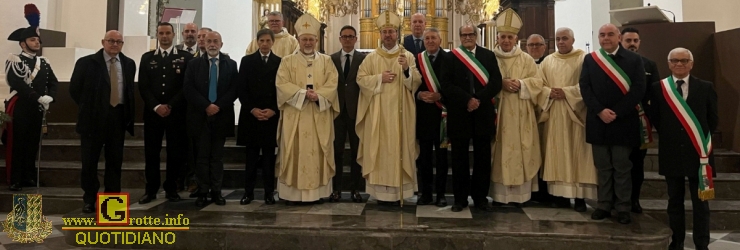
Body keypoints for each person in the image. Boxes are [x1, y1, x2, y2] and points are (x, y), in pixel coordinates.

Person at [648, 47, 716, 250]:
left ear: (691, 64)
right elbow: (655, 118)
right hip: (671, 153)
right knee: (674, 202)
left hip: (699, 154)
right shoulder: (658, 88)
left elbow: (713, 119)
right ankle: (676, 243)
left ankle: (701, 244)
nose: (679, 64)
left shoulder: (706, 87)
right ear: (668, 63)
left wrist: (696, 140)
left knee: (701, 204)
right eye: (675, 60)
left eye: (684, 60)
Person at [580, 23, 646, 224]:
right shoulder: (591, 60)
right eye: (602, 35)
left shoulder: (634, 60)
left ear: (619, 37)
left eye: (610, 34)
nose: (606, 38)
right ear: (597, 38)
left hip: (623, 121)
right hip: (598, 120)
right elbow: (585, 87)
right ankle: (604, 204)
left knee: (622, 165)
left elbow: (638, 89)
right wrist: (600, 110)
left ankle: (623, 207)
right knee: (603, 166)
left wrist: (616, 112)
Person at [356, 10, 422, 205]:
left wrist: (406, 70)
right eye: (384, 32)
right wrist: (379, 79)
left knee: (401, 148)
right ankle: (380, 193)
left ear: (397, 33)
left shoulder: (407, 56)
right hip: (378, 114)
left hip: (402, 115)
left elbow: (416, 82)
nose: (388, 35)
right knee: (379, 148)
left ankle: (399, 191)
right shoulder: (371, 58)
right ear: (380, 34)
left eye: (391, 31)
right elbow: (361, 79)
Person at [275, 13, 339, 205]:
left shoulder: (326, 61)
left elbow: (332, 83)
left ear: (317, 40)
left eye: (311, 39)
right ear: (298, 40)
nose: (308, 42)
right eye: (305, 39)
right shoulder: (287, 61)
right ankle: (291, 194)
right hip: (296, 115)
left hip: (318, 116)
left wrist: (318, 96)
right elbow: (281, 83)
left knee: (319, 150)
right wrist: (303, 94)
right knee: (293, 150)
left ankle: (318, 193)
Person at [70, 30, 136, 213]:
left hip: (118, 119)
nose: (115, 44)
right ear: (103, 42)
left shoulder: (129, 64)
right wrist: (90, 107)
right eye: (111, 41)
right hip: (93, 120)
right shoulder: (86, 63)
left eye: (119, 42)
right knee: (89, 162)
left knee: (115, 162)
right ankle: (89, 199)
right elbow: (75, 90)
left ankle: (112, 199)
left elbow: (128, 91)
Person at [441, 24, 501, 212]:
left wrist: (478, 99)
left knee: (482, 159)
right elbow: (446, 84)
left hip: (483, 112)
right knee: (459, 159)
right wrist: (467, 100)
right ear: (459, 36)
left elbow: (496, 82)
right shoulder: (451, 57)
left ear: (477, 35)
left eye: (470, 34)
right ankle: (460, 199)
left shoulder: (488, 56)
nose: (467, 37)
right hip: (460, 113)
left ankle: (480, 198)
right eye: (464, 34)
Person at [537, 27, 595, 212]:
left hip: (576, 115)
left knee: (577, 154)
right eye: (558, 39)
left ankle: (579, 197)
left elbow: (588, 84)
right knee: (557, 153)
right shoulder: (548, 61)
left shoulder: (584, 58)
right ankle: (559, 196)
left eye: (564, 38)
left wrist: (567, 92)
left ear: (573, 40)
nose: (561, 42)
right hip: (554, 114)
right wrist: (548, 92)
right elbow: (540, 84)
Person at [489, 8, 543, 206]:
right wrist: (500, 84)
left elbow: (538, 83)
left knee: (522, 150)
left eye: (509, 37)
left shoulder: (527, 59)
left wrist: (521, 84)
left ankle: (521, 196)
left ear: (516, 38)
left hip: (521, 113)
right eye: (502, 36)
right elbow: (483, 82)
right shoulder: (490, 58)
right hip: (499, 112)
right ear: (497, 37)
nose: (506, 40)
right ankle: (499, 196)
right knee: (499, 151)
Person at [137, 22, 193, 204]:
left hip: (176, 114)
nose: (164, 36)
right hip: (153, 115)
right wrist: (156, 106)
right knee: (151, 153)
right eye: (161, 33)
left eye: (168, 33)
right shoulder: (147, 58)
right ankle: (150, 190)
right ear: (157, 35)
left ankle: (171, 188)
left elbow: (186, 86)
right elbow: (144, 87)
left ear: (174, 35)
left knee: (175, 153)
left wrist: (169, 105)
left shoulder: (185, 58)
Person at [4, 4, 58, 191]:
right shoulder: (14, 59)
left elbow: (53, 82)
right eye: (32, 39)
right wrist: (37, 97)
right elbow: (17, 83)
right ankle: (15, 178)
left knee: (32, 143)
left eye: (38, 40)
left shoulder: (44, 62)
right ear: (22, 43)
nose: (37, 42)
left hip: (37, 108)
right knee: (17, 143)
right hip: (20, 106)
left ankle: (28, 176)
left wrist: (50, 97)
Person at [183, 31, 238, 207]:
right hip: (200, 116)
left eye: (215, 41)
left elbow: (234, 89)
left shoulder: (230, 64)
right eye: (209, 41)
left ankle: (216, 191)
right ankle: (203, 191)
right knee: (201, 157)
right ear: (204, 44)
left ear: (221, 44)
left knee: (217, 157)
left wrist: (218, 106)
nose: (212, 44)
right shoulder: (194, 64)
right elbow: (188, 89)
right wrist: (206, 105)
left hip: (221, 116)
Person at [236, 29, 281, 205]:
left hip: (270, 115)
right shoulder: (247, 61)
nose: (264, 44)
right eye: (261, 40)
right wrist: (253, 109)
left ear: (272, 42)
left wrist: (274, 109)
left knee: (270, 158)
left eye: (267, 41)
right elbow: (241, 88)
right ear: (257, 42)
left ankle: (269, 192)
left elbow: (281, 88)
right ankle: (248, 192)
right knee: (251, 158)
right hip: (251, 116)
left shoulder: (279, 62)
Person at [621, 27, 660, 213]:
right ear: (621, 41)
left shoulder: (649, 65)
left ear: (639, 43)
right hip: (618, 121)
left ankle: (634, 199)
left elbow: (655, 94)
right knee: (618, 165)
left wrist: (650, 118)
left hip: (640, 123)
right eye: (628, 40)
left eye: (635, 41)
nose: (632, 44)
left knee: (637, 165)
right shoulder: (612, 64)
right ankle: (617, 200)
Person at [328, 25, 366, 203]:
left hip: (356, 111)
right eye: (345, 37)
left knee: (356, 152)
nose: (348, 39)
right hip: (337, 111)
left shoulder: (364, 58)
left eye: (351, 36)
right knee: (337, 151)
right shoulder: (331, 59)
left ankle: (355, 189)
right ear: (340, 39)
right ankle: (336, 189)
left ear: (356, 38)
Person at [415, 27, 450, 207]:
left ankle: (441, 194)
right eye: (427, 38)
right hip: (424, 116)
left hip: (443, 115)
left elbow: (454, 84)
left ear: (440, 40)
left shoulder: (449, 59)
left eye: (433, 38)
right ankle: (426, 193)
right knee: (424, 158)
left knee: (442, 158)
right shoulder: (417, 60)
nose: (429, 41)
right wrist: (419, 95)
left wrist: (440, 96)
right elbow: (410, 84)